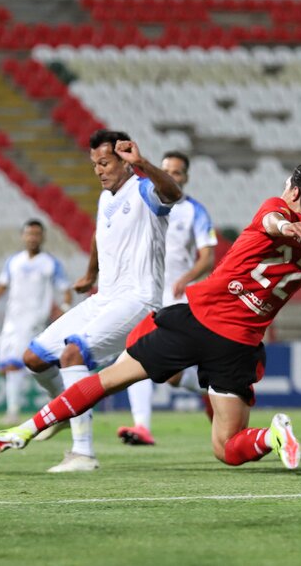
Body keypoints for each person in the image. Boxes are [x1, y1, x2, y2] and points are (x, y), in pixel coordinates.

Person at [0, 161, 301, 471]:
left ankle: (23, 431)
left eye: (287, 185)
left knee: (108, 379)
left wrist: (285, 225)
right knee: (227, 448)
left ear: (294, 192)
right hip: (240, 344)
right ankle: (271, 436)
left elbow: (275, 220)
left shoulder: (277, 208)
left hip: (199, 320)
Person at [18, 130, 182, 472]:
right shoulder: (106, 198)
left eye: (104, 163)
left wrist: (144, 164)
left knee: (72, 354)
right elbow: (99, 234)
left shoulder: (144, 189)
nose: (99, 170)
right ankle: (61, 408)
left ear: (125, 161)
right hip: (104, 297)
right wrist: (91, 273)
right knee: (33, 357)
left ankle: (83, 453)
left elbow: (173, 193)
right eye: (95, 164)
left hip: (139, 300)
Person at [119, 150, 217, 446]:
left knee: (171, 375)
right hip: (146, 294)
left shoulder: (194, 211)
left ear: (185, 177)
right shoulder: (146, 202)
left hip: (179, 300)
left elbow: (208, 257)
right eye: (166, 170)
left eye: (176, 172)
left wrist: (186, 279)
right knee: (134, 353)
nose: (171, 176)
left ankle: (215, 388)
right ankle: (142, 426)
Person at [0, 219, 73, 424]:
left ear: (42, 237)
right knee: (7, 366)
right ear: (23, 236)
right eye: (29, 234)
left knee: (17, 364)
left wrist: (65, 310)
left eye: (36, 234)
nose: (32, 238)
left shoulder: (50, 263)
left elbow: (65, 290)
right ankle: (58, 401)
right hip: (12, 321)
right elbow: (2, 286)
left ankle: (14, 411)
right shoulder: (13, 261)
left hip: (34, 321)